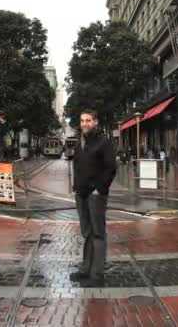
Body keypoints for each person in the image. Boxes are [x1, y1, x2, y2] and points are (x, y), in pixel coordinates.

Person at [70, 110, 116, 286]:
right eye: (82, 121)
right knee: (87, 233)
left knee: (97, 233)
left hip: (95, 195)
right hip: (81, 194)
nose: (84, 124)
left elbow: (111, 168)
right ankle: (86, 268)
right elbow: (78, 166)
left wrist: (99, 189)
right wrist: (76, 188)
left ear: (95, 122)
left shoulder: (103, 142)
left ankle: (96, 275)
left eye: (88, 120)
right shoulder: (80, 142)